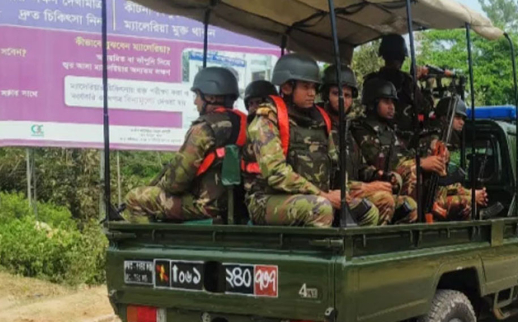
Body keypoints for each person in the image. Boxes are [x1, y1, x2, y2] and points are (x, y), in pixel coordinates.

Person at [242, 54, 379, 227]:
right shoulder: (267, 118)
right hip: (266, 200)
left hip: (315, 195)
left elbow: (334, 164)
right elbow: (276, 174)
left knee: (368, 212)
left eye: (314, 87)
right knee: (321, 208)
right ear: (286, 87)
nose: (312, 93)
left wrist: (341, 193)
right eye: (306, 87)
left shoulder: (321, 119)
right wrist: (323, 195)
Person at [124, 67, 245, 223]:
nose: (195, 101)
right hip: (239, 207)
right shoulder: (245, 124)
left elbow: (176, 183)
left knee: (136, 198)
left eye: (197, 95)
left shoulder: (203, 129)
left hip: (207, 207)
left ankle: (150, 245)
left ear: (211, 97)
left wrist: (163, 185)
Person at [321, 65, 415, 225]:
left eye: (348, 95)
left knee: (410, 205)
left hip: (354, 190)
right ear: (325, 95)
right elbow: (328, 179)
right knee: (385, 200)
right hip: (334, 194)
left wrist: (381, 176)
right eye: (336, 94)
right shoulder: (321, 127)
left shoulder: (346, 130)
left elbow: (360, 167)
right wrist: (366, 187)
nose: (343, 100)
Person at [353, 78, 453, 223]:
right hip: (379, 180)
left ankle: (433, 210)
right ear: (373, 103)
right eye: (386, 102)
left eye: (393, 102)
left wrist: (431, 151)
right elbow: (380, 162)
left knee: (435, 162)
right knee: (414, 167)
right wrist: (421, 163)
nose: (392, 107)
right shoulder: (361, 129)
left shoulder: (389, 130)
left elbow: (405, 153)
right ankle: (414, 219)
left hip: (396, 180)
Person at [421, 96, 488, 221]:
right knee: (465, 203)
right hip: (428, 200)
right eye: (457, 117)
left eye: (463, 118)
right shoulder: (434, 143)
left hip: (436, 197)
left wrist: (470, 193)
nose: (462, 122)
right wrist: (471, 196)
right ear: (444, 118)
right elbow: (442, 185)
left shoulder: (443, 143)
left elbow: (445, 182)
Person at [363, 34, 433, 135]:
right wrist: (428, 86)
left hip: (375, 133)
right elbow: (426, 108)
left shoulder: (371, 80)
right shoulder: (407, 81)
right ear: (402, 58)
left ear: (383, 56)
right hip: (404, 137)